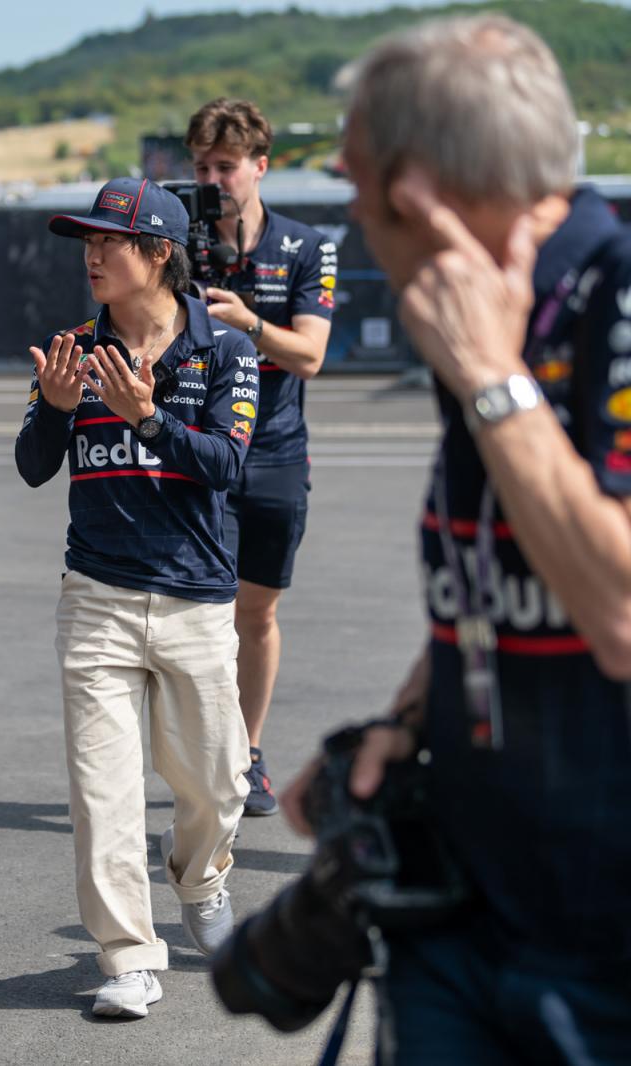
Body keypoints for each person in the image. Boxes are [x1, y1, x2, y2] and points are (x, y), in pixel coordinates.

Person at [283, 16, 631, 1062]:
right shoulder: (474, 308)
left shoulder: (606, 292)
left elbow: (620, 611)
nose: (350, 209)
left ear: (416, 186)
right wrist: (408, 719)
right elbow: (510, 573)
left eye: (356, 178)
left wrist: (493, 382)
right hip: (473, 909)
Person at [17, 177, 258, 1019]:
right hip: (97, 597)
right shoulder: (73, 351)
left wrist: (150, 420)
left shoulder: (225, 349)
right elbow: (33, 466)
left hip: (197, 598)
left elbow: (228, 465)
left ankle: (201, 876)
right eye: (86, 242)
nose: (91, 256)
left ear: (159, 253)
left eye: (107, 242)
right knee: (104, 794)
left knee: (220, 785)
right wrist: (56, 409)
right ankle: (126, 957)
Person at [185, 99, 337, 816]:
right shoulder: (174, 241)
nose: (213, 180)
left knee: (256, 612)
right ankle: (203, 754)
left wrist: (249, 324)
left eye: (226, 166)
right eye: (201, 167)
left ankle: (248, 749)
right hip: (199, 448)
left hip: (275, 451)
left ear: (260, 166)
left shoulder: (306, 246)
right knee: (199, 612)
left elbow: (310, 356)